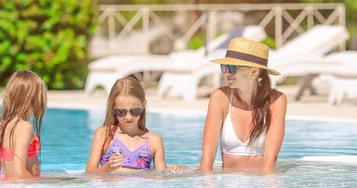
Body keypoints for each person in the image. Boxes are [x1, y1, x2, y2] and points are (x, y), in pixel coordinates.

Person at [199, 38, 287, 172]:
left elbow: (270, 162)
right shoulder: (220, 97)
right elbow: (207, 157)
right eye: (224, 67)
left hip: (261, 186)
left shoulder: (277, 101)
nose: (227, 72)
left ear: (254, 71)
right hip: (228, 186)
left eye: (233, 67)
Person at [86, 76, 182, 173]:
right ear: (113, 109)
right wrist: (107, 168)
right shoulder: (104, 134)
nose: (128, 117)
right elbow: (89, 173)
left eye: (135, 111)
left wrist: (172, 171)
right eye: (121, 112)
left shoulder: (154, 140)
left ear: (143, 105)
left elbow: (161, 176)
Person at [0, 70, 47, 179]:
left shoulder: (2, 126)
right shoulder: (24, 127)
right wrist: (43, 183)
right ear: (33, 99)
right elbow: (19, 174)